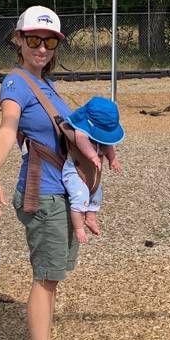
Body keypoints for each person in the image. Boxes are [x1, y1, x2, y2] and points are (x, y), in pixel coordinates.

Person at [0, 6, 87, 340]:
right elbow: (8, 128)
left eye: (49, 41)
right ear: (19, 41)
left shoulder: (45, 84)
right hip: (41, 193)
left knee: (53, 276)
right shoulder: (16, 83)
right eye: (33, 40)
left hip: (59, 190)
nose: (41, 48)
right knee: (45, 277)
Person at [61, 96, 125, 243]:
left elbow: (108, 145)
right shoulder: (80, 130)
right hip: (74, 172)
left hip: (93, 176)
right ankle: (78, 228)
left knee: (97, 195)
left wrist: (112, 159)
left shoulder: (101, 136)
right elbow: (81, 140)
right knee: (80, 197)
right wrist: (93, 156)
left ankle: (90, 218)